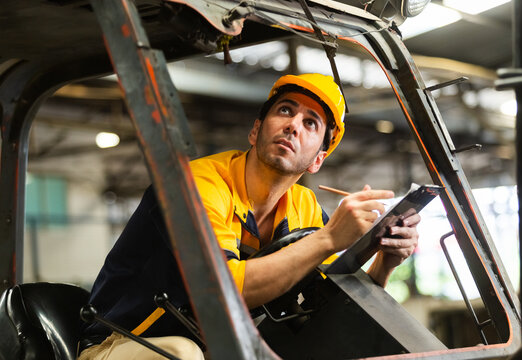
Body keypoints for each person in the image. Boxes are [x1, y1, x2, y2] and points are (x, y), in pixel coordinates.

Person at [77, 73, 420, 359]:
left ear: (318, 160)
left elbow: (330, 306)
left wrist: (383, 259)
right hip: (122, 342)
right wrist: (329, 238)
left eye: (310, 123)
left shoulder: (306, 208)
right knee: (183, 355)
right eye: (285, 111)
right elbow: (220, 291)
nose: (293, 126)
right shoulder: (196, 184)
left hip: (222, 348)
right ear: (256, 131)